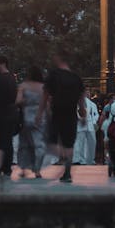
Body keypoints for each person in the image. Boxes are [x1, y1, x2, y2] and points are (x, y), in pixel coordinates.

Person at [38, 51, 86, 183]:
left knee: (52, 142)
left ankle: (62, 155)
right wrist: (83, 114)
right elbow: (82, 98)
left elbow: (45, 95)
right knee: (69, 144)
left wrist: (39, 113)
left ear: (58, 59)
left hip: (57, 112)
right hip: (71, 114)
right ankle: (67, 173)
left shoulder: (53, 75)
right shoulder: (76, 78)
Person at [16, 66, 46, 177]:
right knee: (39, 144)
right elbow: (47, 104)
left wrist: (27, 100)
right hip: (40, 116)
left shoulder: (23, 86)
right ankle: (37, 169)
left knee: (24, 143)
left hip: (26, 116)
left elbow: (18, 101)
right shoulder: (43, 87)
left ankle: (23, 169)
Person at [73, 87, 99, 165]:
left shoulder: (92, 104)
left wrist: (94, 122)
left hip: (90, 124)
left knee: (92, 142)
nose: (87, 93)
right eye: (85, 92)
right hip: (80, 124)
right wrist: (80, 118)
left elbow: (95, 114)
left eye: (88, 92)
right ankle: (78, 159)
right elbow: (77, 111)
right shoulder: (76, 101)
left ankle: (90, 159)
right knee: (79, 142)